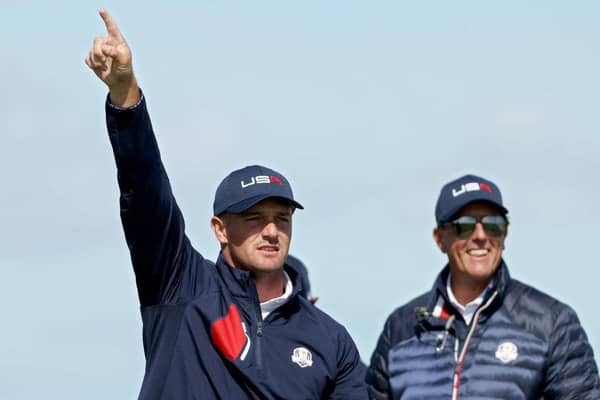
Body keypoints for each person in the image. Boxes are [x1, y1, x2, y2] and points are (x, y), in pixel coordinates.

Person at [85, 10, 367, 400]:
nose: (271, 230)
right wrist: (125, 93)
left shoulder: (330, 339)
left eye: (281, 219)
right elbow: (147, 189)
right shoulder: (181, 285)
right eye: (254, 218)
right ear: (219, 229)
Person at [366, 174, 600, 399]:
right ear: (439, 239)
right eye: (464, 226)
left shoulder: (552, 322)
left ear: (505, 234)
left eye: (493, 224)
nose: (480, 236)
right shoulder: (400, 329)